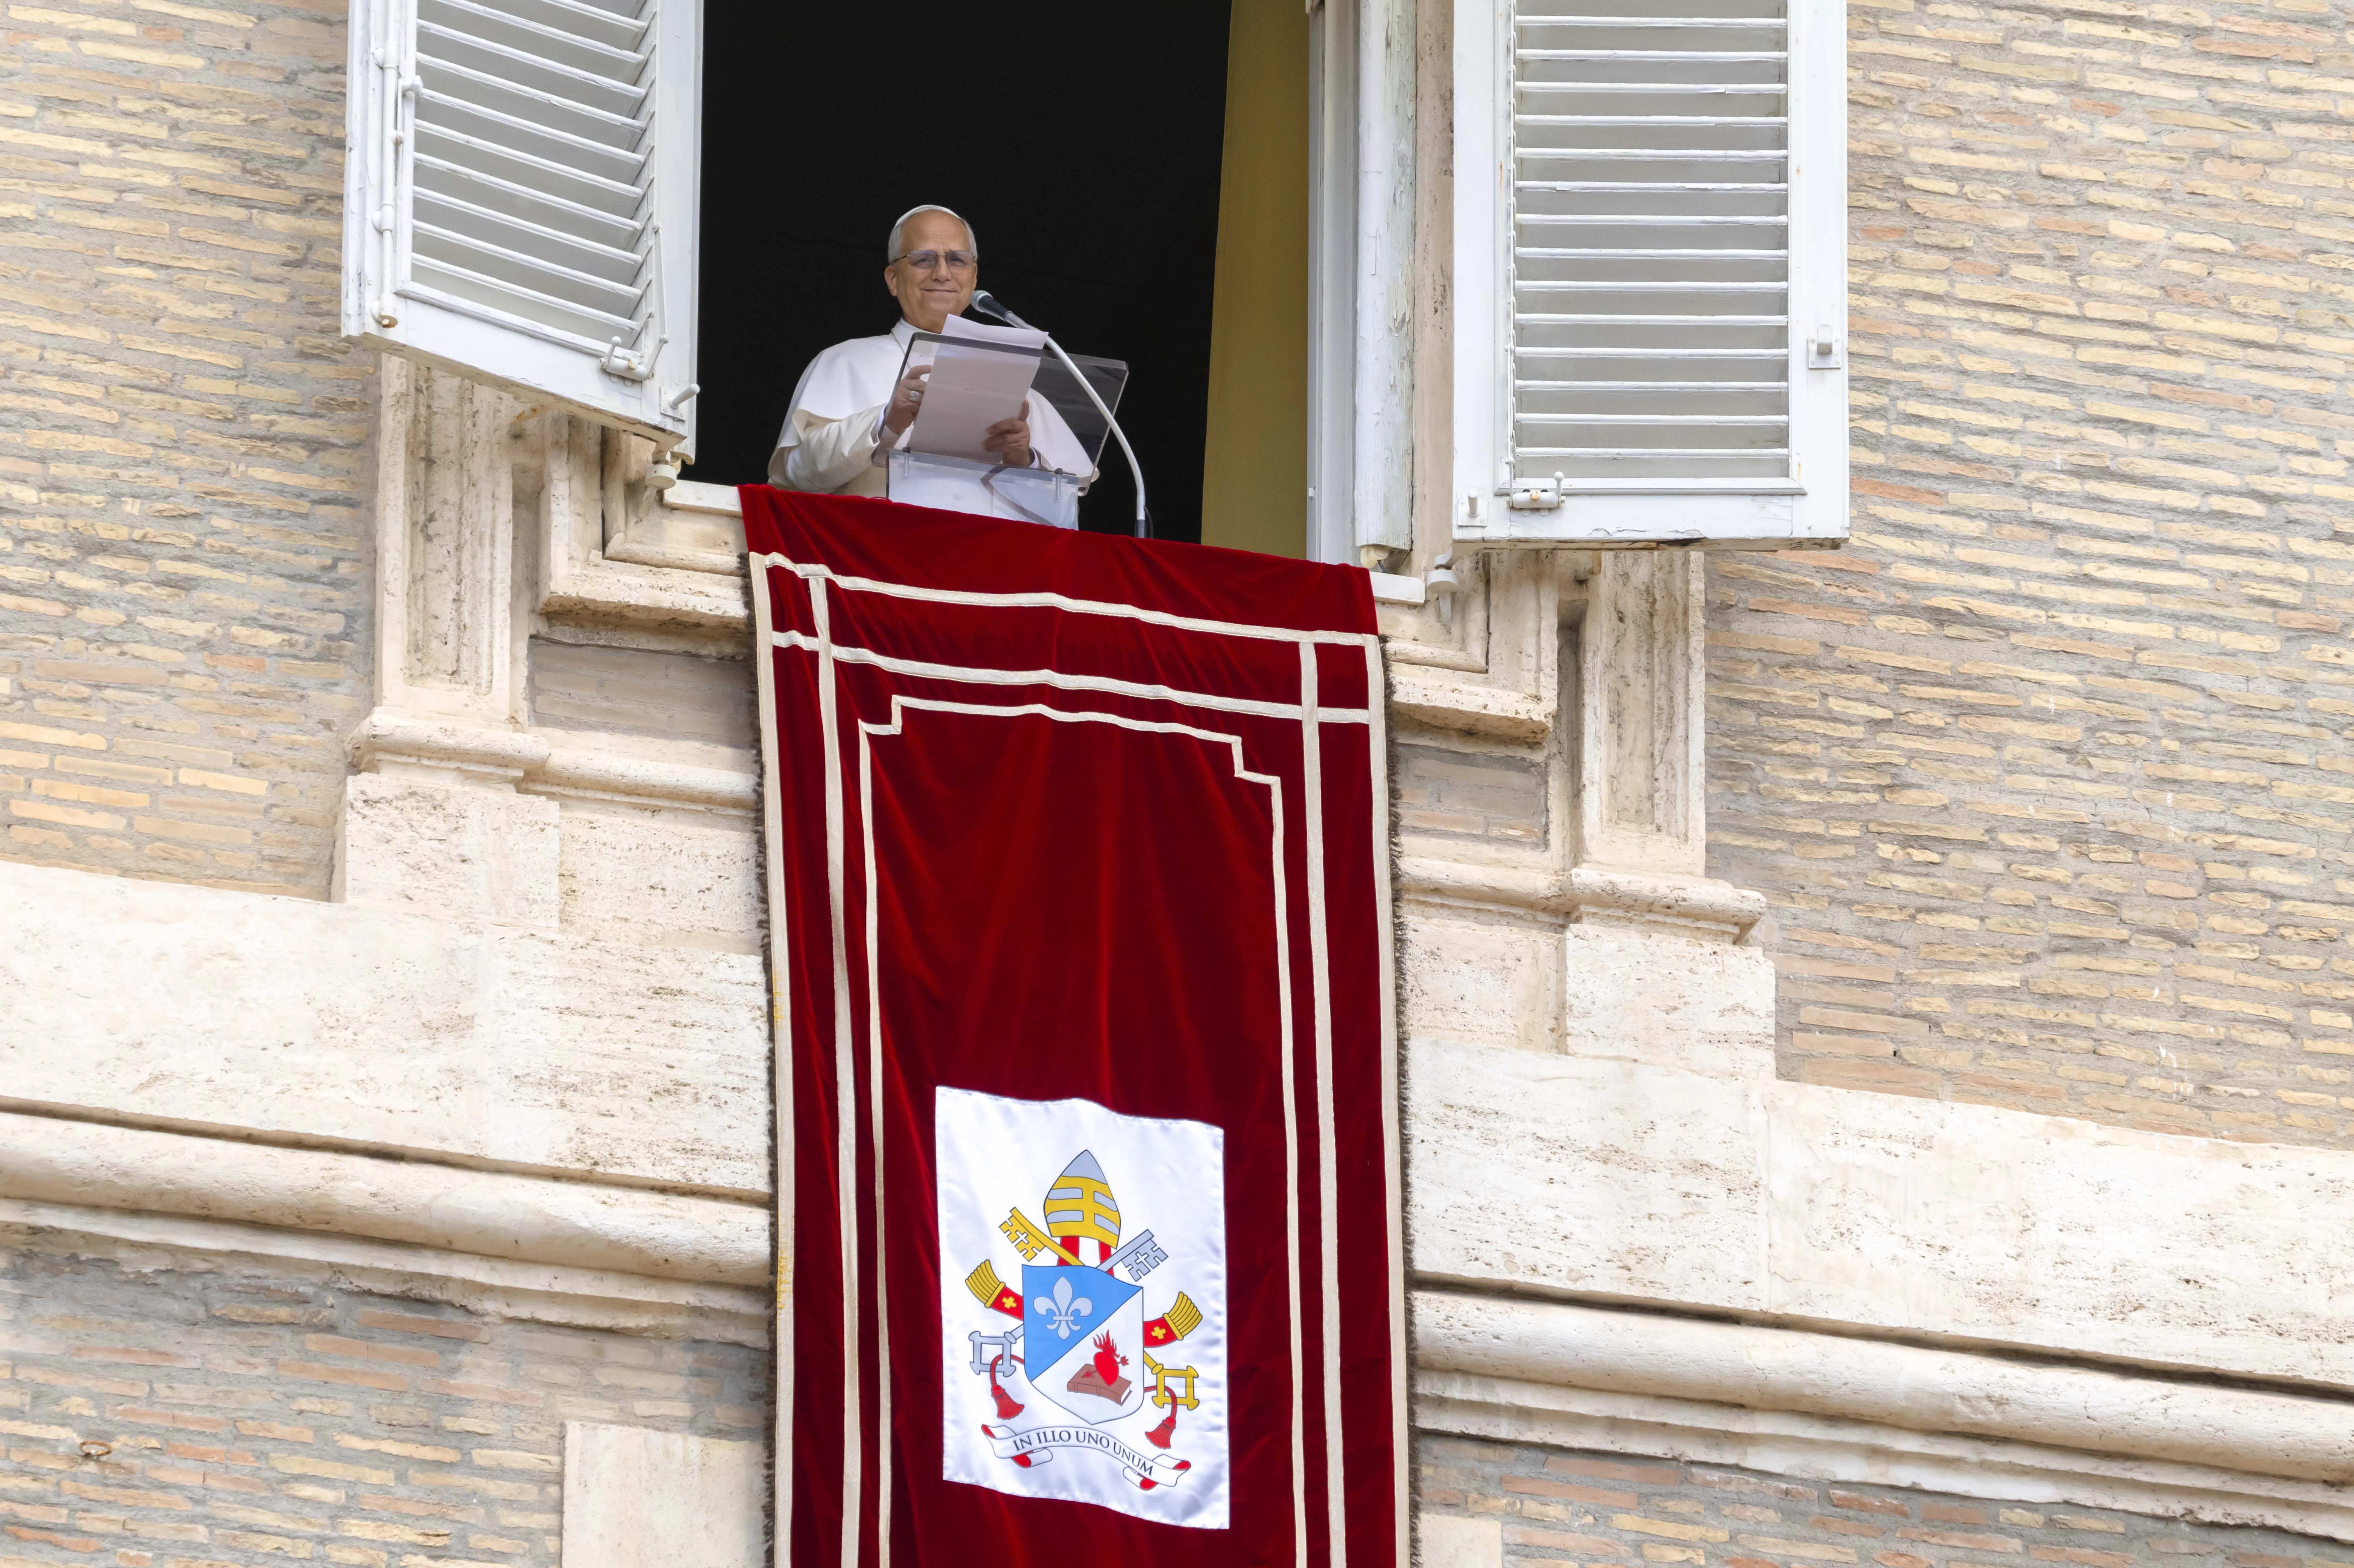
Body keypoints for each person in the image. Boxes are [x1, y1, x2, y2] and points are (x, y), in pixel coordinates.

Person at [769, 206, 1094, 496]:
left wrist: (1023, 458)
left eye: (957, 260)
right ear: (893, 279)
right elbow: (798, 475)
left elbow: (1068, 498)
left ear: (973, 277)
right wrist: (886, 421)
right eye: (924, 260)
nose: (942, 273)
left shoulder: (1017, 381)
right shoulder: (844, 361)